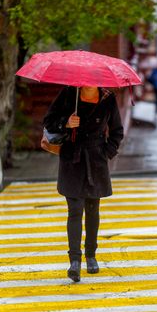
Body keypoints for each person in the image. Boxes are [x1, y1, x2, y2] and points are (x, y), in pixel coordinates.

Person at [43, 86, 124, 282]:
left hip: (96, 159)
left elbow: (117, 131)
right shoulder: (69, 93)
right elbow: (49, 122)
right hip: (72, 159)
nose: (89, 82)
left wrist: (107, 152)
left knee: (92, 209)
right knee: (75, 210)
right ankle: (75, 261)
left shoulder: (108, 98)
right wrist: (66, 123)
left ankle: (91, 255)